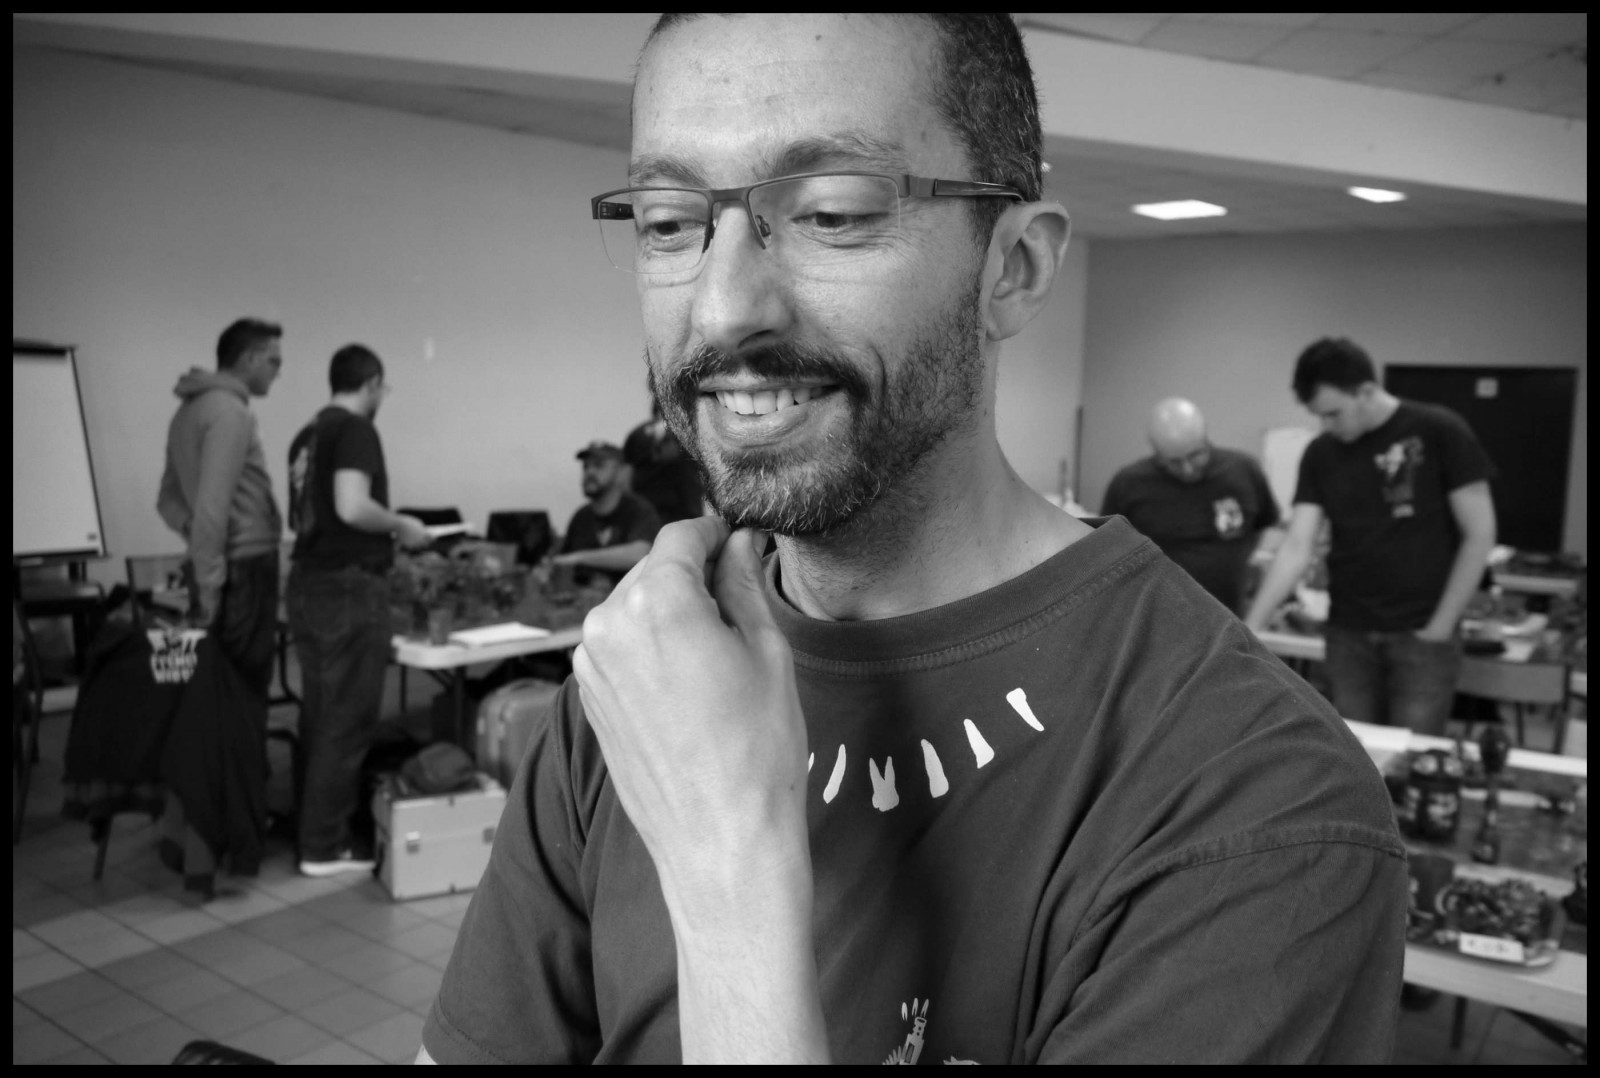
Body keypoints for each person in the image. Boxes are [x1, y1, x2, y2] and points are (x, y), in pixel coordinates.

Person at [422, 15, 1405, 1064]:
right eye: (668, 223)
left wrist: (726, 866)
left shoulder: (1254, 799)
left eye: (832, 213)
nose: (721, 309)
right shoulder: (646, 672)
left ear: (1012, 268)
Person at [1245, 337, 1496, 735]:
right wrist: (1251, 629)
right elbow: (1296, 546)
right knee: (1355, 754)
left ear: (1365, 391)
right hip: (1348, 633)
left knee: (1411, 755)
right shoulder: (1321, 453)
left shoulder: (1439, 430)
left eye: (1334, 414)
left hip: (1422, 635)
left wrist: (1441, 625)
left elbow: (1480, 534)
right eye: (1319, 417)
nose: (1327, 427)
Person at [285, 344, 430, 876]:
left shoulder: (307, 434)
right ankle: (325, 846)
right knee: (346, 719)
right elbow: (351, 506)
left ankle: (310, 831)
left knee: (321, 713)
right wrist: (401, 525)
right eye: (382, 388)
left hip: (308, 582)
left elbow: (303, 517)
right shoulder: (355, 429)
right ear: (371, 383)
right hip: (348, 586)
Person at [156, 317, 285, 697]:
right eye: (274, 361)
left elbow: (167, 500)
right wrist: (211, 584)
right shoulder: (230, 412)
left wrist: (196, 535)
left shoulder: (188, 411)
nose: (278, 373)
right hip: (241, 566)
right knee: (243, 685)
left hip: (216, 564)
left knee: (217, 682)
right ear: (249, 358)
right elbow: (214, 506)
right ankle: (240, 741)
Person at [1101, 397, 1280, 613]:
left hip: (1230, 612)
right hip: (1159, 615)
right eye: (1174, 462)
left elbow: (1263, 526)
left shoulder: (1244, 470)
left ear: (1205, 437)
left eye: (1195, 455)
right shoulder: (1128, 484)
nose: (1187, 469)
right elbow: (1108, 551)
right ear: (1156, 452)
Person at [550, 441, 663, 588]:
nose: (589, 472)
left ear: (622, 473)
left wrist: (579, 557)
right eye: (586, 467)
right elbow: (562, 561)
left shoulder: (639, 511)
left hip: (631, 598)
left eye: (599, 465)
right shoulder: (581, 517)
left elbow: (641, 553)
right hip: (582, 599)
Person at [624, 398, 706, 524]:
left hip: (684, 510)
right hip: (652, 511)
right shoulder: (641, 435)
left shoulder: (692, 434)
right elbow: (625, 471)